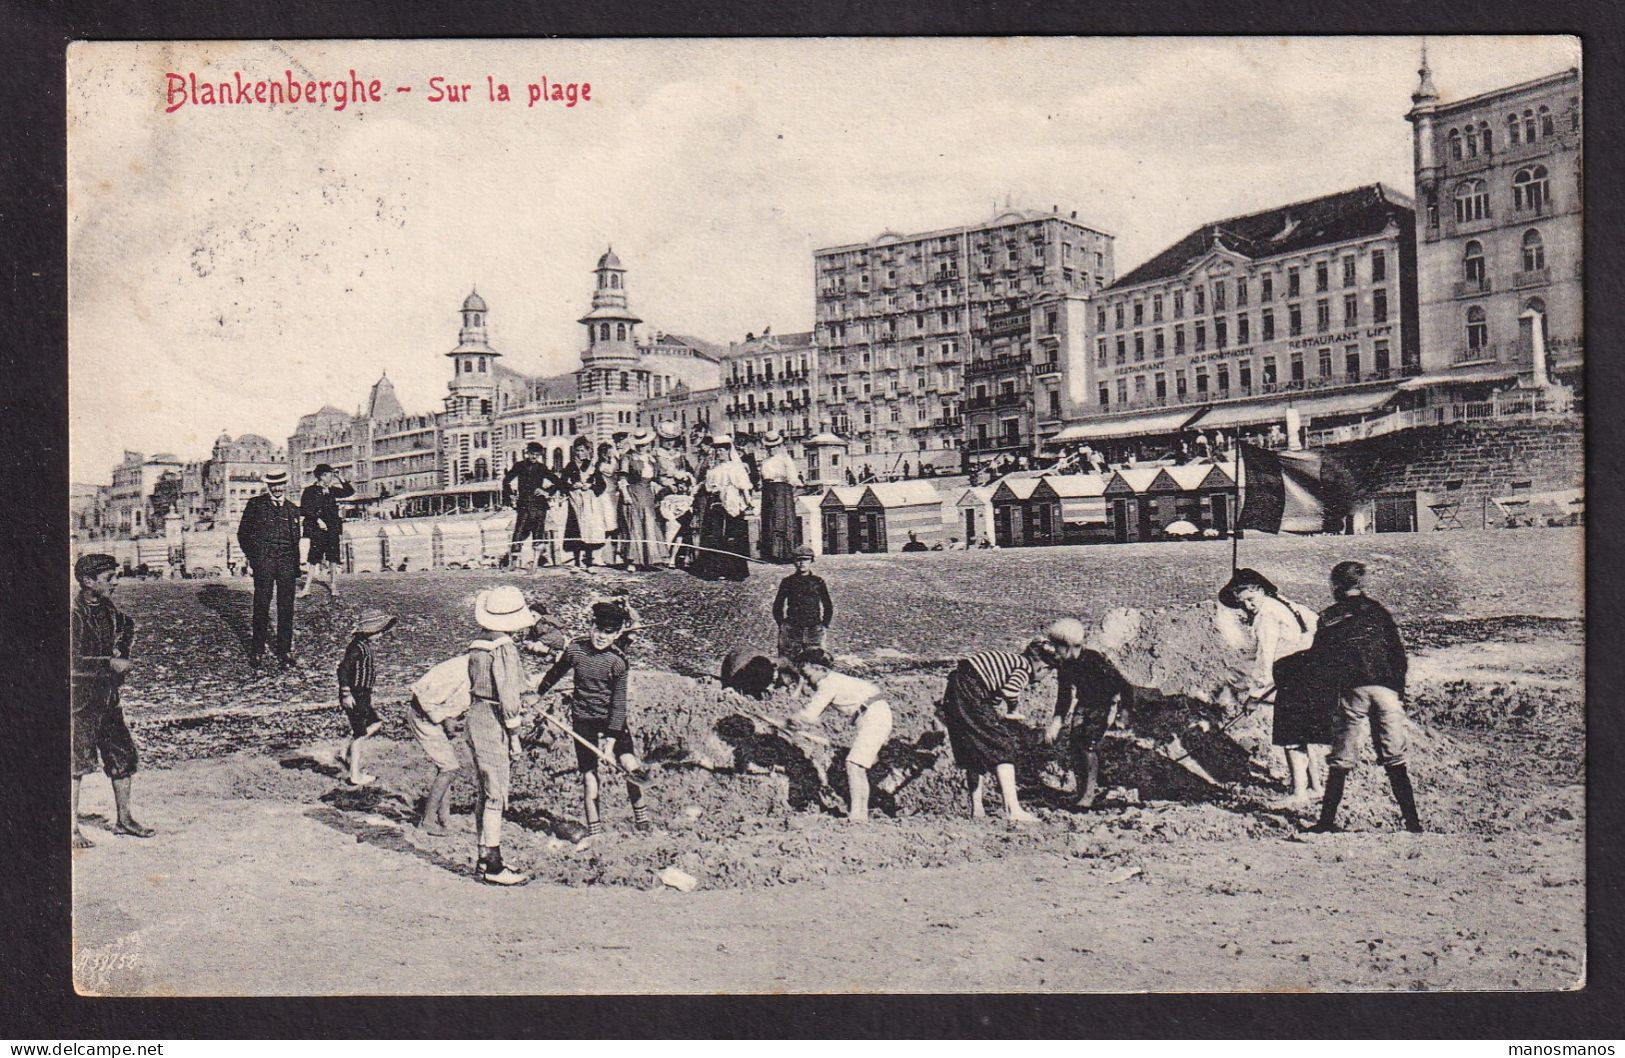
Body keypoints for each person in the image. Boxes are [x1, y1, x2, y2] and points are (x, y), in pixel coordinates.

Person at [1304, 561, 1423, 834]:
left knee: (1341, 759)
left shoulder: (1329, 616)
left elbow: (1320, 661)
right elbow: (1398, 655)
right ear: (1362, 584)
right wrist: (1399, 691)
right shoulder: (1380, 613)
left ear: (1335, 586)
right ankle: (1413, 823)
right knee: (1394, 758)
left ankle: (1326, 822)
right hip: (1386, 691)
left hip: (1353, 691)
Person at [532, 601, 654, 837]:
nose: (601, 637)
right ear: (590, 625)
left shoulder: (618, 662)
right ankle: (595, 831)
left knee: (630, 765)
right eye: (598, 629)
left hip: (611, 718)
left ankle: (642, 819)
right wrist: (537, 694)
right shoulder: (575, 649)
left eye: (609, 633)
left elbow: (619, 704)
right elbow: (555, 673)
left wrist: (609, 744)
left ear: (618, 633)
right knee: (589, 776)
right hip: (583, 718)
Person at [938, 625, 1078, 823]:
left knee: (973, 749)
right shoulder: (1024, 667)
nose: (1039, 681)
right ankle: (1013, 810)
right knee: (1002, 745)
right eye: (1046, 675)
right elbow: (1011, 692)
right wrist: (1013, 711)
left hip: (958, 686)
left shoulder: (1007, 664)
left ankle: (976, 808)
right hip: (971, 689)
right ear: (1042, 667)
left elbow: (992, 697)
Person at [1218, 567, 1323, 804]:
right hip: (1309, 668)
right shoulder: (1285, 603)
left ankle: (1299, 793)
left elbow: (1265, 658)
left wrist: (1254, 695)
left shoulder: (1266, 615)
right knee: (1303, 732)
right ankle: (1315, 786)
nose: (1248, 606)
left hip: (1293, 673)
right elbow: (1316, 624)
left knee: (1290, 735)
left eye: (1250, 599)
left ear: (1261, 590)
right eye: (1242, 603)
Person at [71, 553, 151, 847]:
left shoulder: (106, 608)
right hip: (79, 702)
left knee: (122, 755)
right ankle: (71, 829)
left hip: (107, 698)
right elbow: (70, 663)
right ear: (88, 581)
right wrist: (109, 663)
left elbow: (126, 625)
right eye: (109, 579)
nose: (115, 583)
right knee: (75, 762)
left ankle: (124, 819)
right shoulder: (74, 613)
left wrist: (122, 650)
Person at [466, 586, 538, 885]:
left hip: (475, 714)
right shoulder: (504, 647)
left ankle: (484, 858)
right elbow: (508, 697)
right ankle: (494, 866)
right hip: (494, 718)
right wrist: (516, 735)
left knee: (485, 790)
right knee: (497, 792)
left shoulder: (477, 644)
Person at [790, 648, 892, 824]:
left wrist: (792, 720)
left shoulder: (828, 684)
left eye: (808, 675)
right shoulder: (835, 681)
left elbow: (810, 714)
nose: (807, 681)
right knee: (856, 766)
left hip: (874, 716)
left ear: (821, 669)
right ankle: (860, 815)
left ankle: (857, 815)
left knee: (853, 764)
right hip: (874, 714)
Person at [1042, 619, 1134, 809]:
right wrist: (1057, 721)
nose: (1053, 650)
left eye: (1056, 646)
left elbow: (1124, 686)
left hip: (1104, 705)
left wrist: (1123, 712)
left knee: (1087, 746)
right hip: (1084, 705)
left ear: (1067, 646)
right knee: (1075, 746)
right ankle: (1080, 791)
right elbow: (1064, 696)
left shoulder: (1094, 660)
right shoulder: (1065, 665)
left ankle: (1089, 794)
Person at [236, 469, 303, 669]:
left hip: (287, 564)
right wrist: (255, 558)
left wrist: (296, 564)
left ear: (286, 485)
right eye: (274, 485)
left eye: (281, 484)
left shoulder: (292, 509)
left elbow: (296, 540)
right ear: (268, 486)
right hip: (264, 563)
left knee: (286, 607)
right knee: (261, 605)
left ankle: (284, 650)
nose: (278, 488)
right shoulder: (255, 505)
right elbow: (243, 534)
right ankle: (257, 650)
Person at [335, 608, 396, 786]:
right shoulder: (357, 648)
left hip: (362, 695)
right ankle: (355, 775)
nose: (380, 635)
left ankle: (346, 749)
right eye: (378, 632)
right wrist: (346, 693)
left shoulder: (362, 645)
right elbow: (343, 669)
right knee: (360, 735)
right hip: (355, 695)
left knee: (375, 723)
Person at [697, 433, 755, 581]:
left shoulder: (735, 467)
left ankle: (734, 571)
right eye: (718, 450)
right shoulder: (714, 469)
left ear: (729, 451)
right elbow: (709, 486)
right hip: (715, 503)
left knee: (732, 536)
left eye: (723, 450)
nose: (720, 453)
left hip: (731, 502)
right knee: (715, 535)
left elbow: (744, 486)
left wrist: (748, 502)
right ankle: (716, 570)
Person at [297, 463, 355, 598]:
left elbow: (349, 492)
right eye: (330, 475)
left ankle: (333, 586)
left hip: (332, 528)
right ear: (322, 476)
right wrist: (317, 520)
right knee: (313, 558)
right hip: (317, 529)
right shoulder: (309, 491)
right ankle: (306, 588)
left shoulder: (332, 490)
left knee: (333, 557)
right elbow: (304, 509)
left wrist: (340, 477)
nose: (331, 478)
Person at [502, 441, 558, 572]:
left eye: (537, 455)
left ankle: (535, 564)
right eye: (532, 454)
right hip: (523, 504)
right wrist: (511, 495)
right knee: (519, 531)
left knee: (538, 531)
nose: (534, 457)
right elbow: (506, 481)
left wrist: (546, 492)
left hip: (539, 506)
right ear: (527, 453)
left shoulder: (542, 467)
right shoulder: (519, 466)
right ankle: (513, 563)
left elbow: (558, 482)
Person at [617, 428, 668, 571]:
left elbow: (659, 478)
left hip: (647, 495)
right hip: (632, 492)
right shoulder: (628, 458)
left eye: (645, 444)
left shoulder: (652, 459)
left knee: (649, 523)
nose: (642, 447)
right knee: (634, 525)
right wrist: (625, 495)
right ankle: (632, 561)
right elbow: (622, 478)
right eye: (639, 445)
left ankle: (649, 559)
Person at [773, 544, 833, 661]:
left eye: (806, 560)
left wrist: (824, 624)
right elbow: (778, 605)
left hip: (814, 630)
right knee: (788, 664)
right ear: (794, 562)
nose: (802, 563)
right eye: (798, 560)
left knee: (815, 666)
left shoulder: (818, 582)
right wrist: (782, 624)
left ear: (811, 561)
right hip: (792, 630)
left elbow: (828, 605)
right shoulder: (787, 582)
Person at [559, 436, 607, 570]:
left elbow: (602, 485)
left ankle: (589, 562)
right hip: (575, 501)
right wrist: (572, 486)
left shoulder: (592, 467)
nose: (579, 453)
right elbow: (561, 483)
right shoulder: (570, 466)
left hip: (590, 503)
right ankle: (576, 562)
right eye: (577, 450)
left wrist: (590, 486)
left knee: (589, 530)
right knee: (575, 530)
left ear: (587, 451)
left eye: (582, 450)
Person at [652, 421, 696, 566]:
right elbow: (654, 475)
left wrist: (685, 480)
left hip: (680, 493)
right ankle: (663, 554)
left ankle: (675, 557)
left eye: (672, 440)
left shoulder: (680, 456)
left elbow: (688, 471)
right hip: (663, 492)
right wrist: (665, 484)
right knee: (668, 524)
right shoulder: (656, 455)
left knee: (683, 523)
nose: (670, 444)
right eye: (666, 440)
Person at [756, 430, 803, 562]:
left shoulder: (785, 459)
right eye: (768, 447)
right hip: (767, 490)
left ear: (778, 446)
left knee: (780, 520)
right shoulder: (765, 461)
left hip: (782, 490)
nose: (771, 449)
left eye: (773, 447)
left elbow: (792, 476)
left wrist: (794, 488)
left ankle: (784, 554)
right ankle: (769, 553)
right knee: (768, 519)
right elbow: (762, 477)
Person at [596, 440, 625, 568]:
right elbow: (611, 472)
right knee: (607, 526)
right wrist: (616, 458)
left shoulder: (614, 462)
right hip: (605, 496)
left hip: (614, 495)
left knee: (615, 527)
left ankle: (613, 555)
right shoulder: (603, 465)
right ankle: (601, 555)